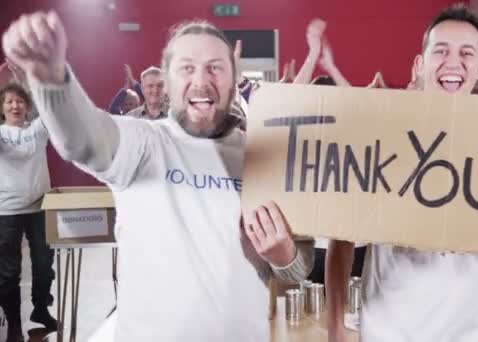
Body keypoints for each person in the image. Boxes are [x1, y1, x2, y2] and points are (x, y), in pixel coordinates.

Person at [3, 11, 314, 341]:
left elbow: (297, 271)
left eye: (215, 67)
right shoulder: (145, 143)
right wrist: (53, 81)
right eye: (187, 67)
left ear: (233, 80)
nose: (201, 79)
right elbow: (84, 140)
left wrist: (284, 258)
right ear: (168, 81)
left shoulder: (264, 156)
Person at [325, 5, 478, 342]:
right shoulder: (382, 135)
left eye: (466, 53)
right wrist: (334, 328)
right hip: (387, 335)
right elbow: (339, 240)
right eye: (440, 51)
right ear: (420, 64)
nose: (453, 62)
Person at [0, 83, 57, 342]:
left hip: (39, 206)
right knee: (9, 271)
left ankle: (41, 310)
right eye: (9, 102)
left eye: (20, 101)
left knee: (44, 264)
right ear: (2, 108)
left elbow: (49, 105)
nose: (15, 106)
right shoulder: (1, 134)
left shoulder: (38, 130)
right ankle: (13, 323)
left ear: (27, 106)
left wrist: (26, 77)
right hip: (6, 211)